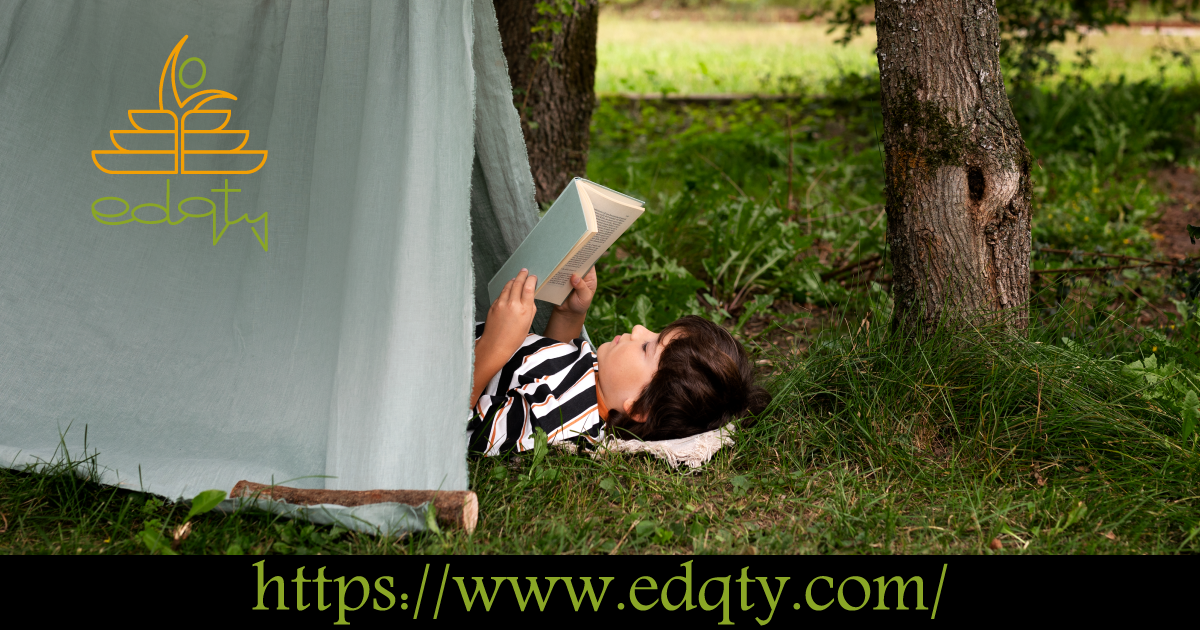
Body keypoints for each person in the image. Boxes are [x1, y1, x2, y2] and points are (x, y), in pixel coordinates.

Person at [467, 267, 770, 456]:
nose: (638, 329)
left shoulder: (554, 421)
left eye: (646, 347)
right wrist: (568, 316)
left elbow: (453, 423)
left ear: (638, 406)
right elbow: (544, 371)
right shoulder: (591, 392)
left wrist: (495, 345)